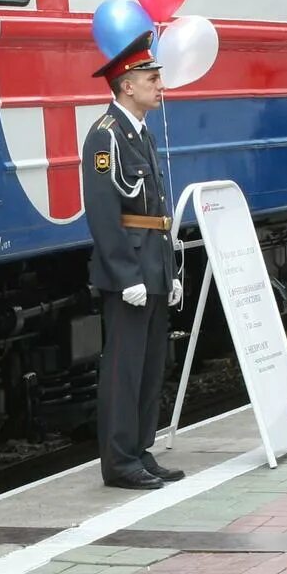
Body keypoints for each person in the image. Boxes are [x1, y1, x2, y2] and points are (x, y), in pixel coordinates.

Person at [82, 32, 184, 490]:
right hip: (131, 271)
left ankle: (142, 449)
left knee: (150, 365)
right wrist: (126, 274)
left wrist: (171, 271)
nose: (160, 85)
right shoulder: (105, 138)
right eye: (152, 77)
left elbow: (155, 209)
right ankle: (120, 461)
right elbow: (105, 213)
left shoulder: (139, 133)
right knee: (124, 368)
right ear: (127, 84)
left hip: (155, 265)